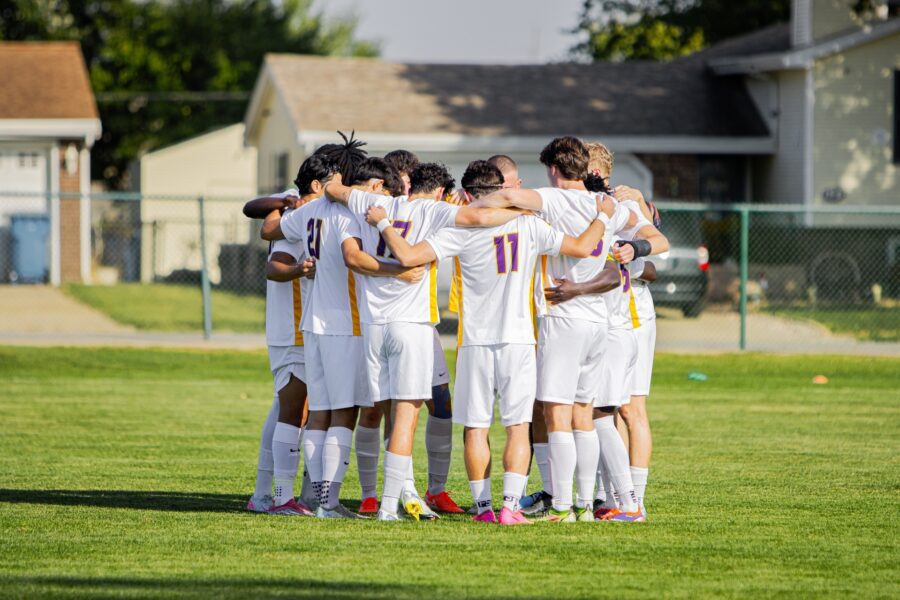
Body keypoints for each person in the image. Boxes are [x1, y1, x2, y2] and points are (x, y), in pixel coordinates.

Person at [369, 159, 615, 525]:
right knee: (517, 427)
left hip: (475, 343)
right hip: (518, 340)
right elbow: (582, 247)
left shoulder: (459, 229)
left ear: (467, 194)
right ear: (503, 191)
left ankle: (483, 508)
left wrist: (383, 223)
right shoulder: (530, 224)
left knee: (476, 428)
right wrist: (604, 216)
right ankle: (510, 507)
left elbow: (406, 256)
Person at [323, 161, 523, 521]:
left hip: (372, 326)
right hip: (410, 325)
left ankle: (379, 497)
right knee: (405, 419)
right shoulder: (433, 210)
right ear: (442, 192)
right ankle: (387, 506)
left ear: (407, 183)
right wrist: (523, 207)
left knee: (381, 414)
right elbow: (479, 219)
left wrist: (337, 183)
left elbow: (334, 192)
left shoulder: (371, 202)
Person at [260, 135, 423, 519]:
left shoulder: (310, 211)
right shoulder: (346, 213)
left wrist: (286, 205)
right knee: (343, 413)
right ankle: (329, 502)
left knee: (319, 413)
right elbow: (353, 257)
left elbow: (272, 231)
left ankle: (319, 501)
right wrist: (399, 270)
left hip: (313, 324)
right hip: (344, 324)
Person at [244, 158, 324, 516]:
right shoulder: (294, 207)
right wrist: (288, 204)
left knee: (288, 409)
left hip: (304, 325)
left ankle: (273, 494)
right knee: (293, 409)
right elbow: (262, 227)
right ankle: (274, 496)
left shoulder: (309, 207)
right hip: (293, 326)